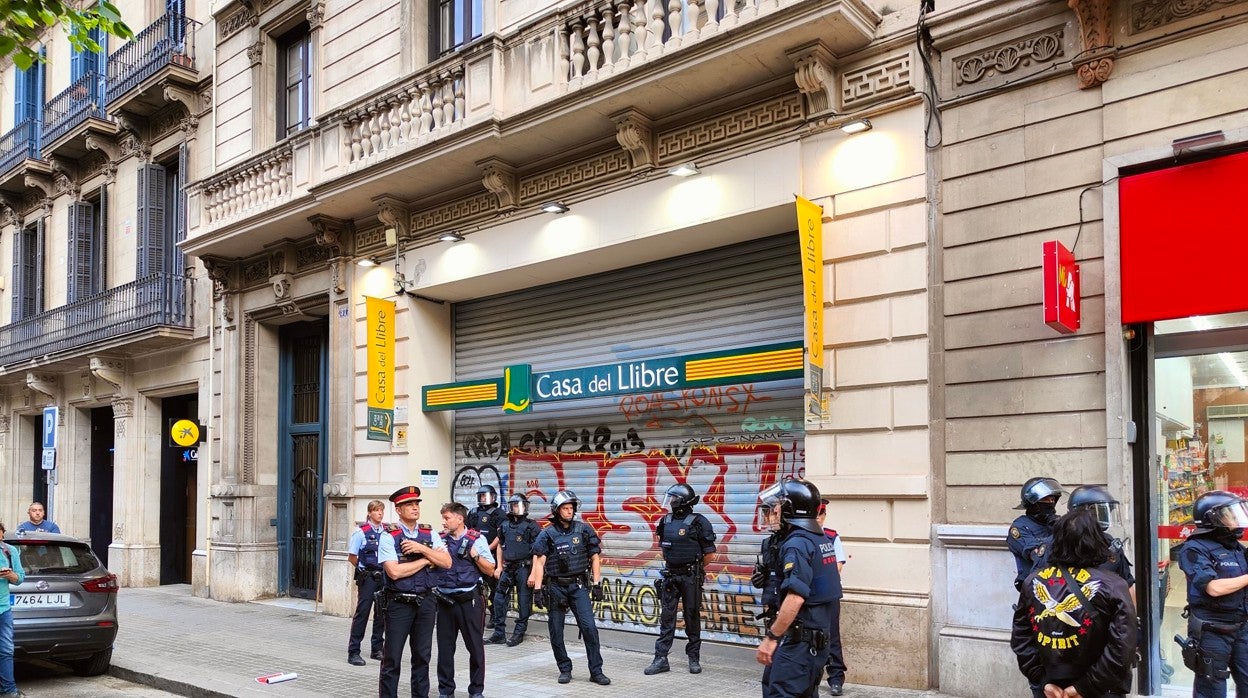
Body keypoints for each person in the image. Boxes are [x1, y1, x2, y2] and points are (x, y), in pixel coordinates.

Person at [1011, 507, 1137, 698]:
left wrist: (1043, 681)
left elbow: (1021, 639)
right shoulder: (1113, 585)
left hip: (1053, 687)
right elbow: (1122, 647)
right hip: (1101, 688)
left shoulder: (1033, 581)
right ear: (1096, 540)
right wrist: (1086, 687)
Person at [755, 477, 838, 698]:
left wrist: (772, 637)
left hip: (799, 644)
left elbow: (796, 597)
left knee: (780, 692)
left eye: (776, 508)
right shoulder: (819, 538)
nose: (771, 514)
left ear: (792, 510)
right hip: (811, 641)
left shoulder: (796, 544)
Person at [377, 486, 452, 698]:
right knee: (392, 658)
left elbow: (446, 562)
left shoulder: (430, 533)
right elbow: (394, 572)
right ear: (398, 509)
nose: (414, 507)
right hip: (398, 603)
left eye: (416, 503)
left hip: (426, 602)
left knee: (422, 657)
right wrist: (428, 559)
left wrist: (422, 550)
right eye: (409, 504)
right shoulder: (389, 536)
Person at [532, 489, 611, 686]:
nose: (569, 511)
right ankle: (565, 669)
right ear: (556, 510)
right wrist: (537, 590)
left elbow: (595, 557)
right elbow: (539, 563)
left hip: (578, 586)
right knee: (556, 632)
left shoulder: (584, 530)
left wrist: (597, 583)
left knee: (589, 628)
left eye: (571, 508)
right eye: (565, 508)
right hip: (556, 588)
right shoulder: (547, 534)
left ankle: (596, 671)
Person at [1176, 490, 1248, 698]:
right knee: (1212, 690)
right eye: (1230, 514)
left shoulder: (1235, 547)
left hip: (1241, 627)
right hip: (1212, 631)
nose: (1236, 518)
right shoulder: (1194, 548)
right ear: (1212, 518)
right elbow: (1213, 587)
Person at [644, 483, 717, 676]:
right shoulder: (665, 521)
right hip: (671, 575)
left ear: (683, 501)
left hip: (690, 576)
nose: (671, 502)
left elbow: (709, 554)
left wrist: (695, 569)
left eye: (674, 498)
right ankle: (661, 659)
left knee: (691, 616)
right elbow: (664, 548)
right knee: (667, 617)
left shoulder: (699, 522)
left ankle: (694, 658)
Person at [1010, 477, 1066, 698]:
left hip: (1062, 599)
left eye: (1053, 498)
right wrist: (1062, 536)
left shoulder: (1057, 523)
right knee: (1040, 669)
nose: (1050, 502)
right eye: (1045, 499)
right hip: (1036, 604)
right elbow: (1038, 556)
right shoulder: (1019, 527)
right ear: (1031, 502)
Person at [434, 501, 496, 698]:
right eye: (443, 518)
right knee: (445, 649)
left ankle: (476, 691)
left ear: (460, 519)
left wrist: (475, 556)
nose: (443, 522)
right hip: (444, 601)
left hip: (469, 601)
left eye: (447, 518)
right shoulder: (439, 539)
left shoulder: (476, 539)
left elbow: (491, 569)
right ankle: (446, 691)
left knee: (475, 647)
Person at [1063, 486, 1136, 604]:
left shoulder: (1110, 544)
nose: (1104, 518)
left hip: (1105, 613)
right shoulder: (1056, 544)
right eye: (1100, 513)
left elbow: (1128, 585)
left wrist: (1132, 618)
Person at [487, 493, 540, 647]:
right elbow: (500, 546)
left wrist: (533, 574)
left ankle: (519, 633)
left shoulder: (531, 526)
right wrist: (499, 566)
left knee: (523, 602)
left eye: (522, 505)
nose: (519, 508)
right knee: (498, 599)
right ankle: (499, 634)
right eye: (516, 505)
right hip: (508, 568)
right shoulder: (504, 525)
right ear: (510, 507)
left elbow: (539, 552)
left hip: (524, 568)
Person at [346, 499, 390, 666]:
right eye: (377, 510)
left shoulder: (386, 531)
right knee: (362, 613)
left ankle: (377, 648)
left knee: (381, 614)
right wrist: (362, 569)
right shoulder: (361, 532)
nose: (380, 513)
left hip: (384, 576)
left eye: (382, 510)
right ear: (370, 513)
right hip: (368, 577)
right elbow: (352, 556)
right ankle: (354, 651)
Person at [816, 498, 848, 696]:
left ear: (824, 516)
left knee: (832, 637)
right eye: (815, 514)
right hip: (810, 596)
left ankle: (836, 678)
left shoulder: (831, 536)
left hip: (828, 595)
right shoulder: (800, 537)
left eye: (821, 514)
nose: (818, 518)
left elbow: (838, 566)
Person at [467, 484, 506, 628]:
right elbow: (468, 531)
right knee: (476, 586)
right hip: (474, 555)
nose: (483, 498)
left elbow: (500, 535)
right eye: (481, 496)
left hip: (492, 555)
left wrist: (488, 550)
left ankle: (495, 616)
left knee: (495, 588)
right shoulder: (473, 512)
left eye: (486, 496)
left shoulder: (499, 513)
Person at [0, 521, 26, 698]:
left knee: (6, 650)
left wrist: (10, 575)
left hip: (3, 610)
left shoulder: (10, 551)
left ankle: (9, 690)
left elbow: (20, 578)